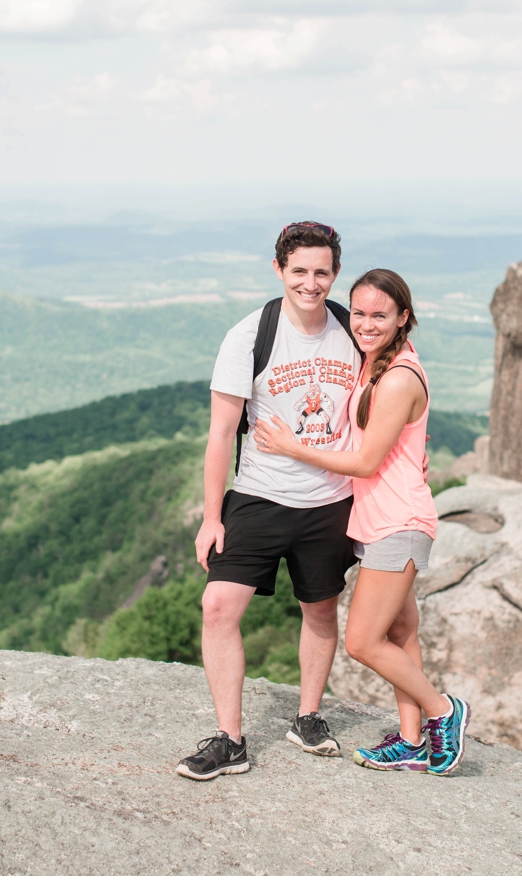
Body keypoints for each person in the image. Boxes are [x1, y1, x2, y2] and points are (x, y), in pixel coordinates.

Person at [252, 269, 470, 777]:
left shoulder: (395, 377)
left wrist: (290, 447)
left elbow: (367, 462)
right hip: (381, 520)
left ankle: (443, 712)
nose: (366, 324)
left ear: (403, 318)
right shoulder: (378, 363)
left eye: (380, 315)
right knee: (400, 630)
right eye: (361, 313)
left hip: (398, 523)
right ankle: (414, 740)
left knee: (363, 641)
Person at [175, 221, 363, 781]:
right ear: (278, 269)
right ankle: (230, 740)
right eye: (300, 270)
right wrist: (213, 516)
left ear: (335, 274)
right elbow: (220, 432)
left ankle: (308, 716)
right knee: (217, 607)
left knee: (320, 609)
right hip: (259, 495)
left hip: (331, 498)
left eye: (322, 272)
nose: (311, 282)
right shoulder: (248, 336)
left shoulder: (352, 332)